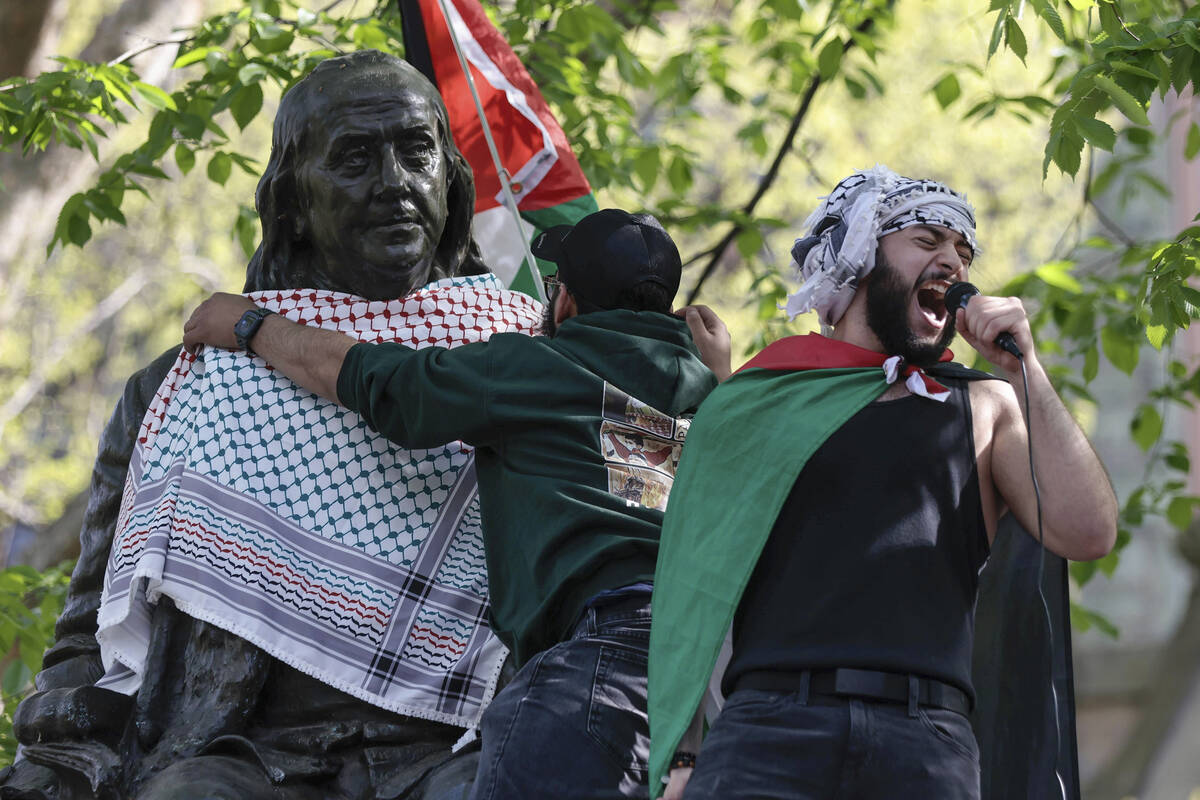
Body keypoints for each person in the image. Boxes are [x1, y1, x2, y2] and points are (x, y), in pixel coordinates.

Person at [4, 50, 535, 800]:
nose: (394, 184)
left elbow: (654, 513)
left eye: (415, 151)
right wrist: (56, 749)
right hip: (243, 753)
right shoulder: (185, 387)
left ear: (451, 174)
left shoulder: (531, 356)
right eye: (353, 158)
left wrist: (691, 386)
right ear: (290, 200)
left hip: (460, 743)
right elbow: (89, 627)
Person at [182, 208, 730, 800]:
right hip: (710, 683)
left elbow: (372, 378)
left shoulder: (533, 366)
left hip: (594, 673)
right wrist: (720, 379)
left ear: (566, 301)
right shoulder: (713, 396)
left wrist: (250, 324)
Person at [646, 166, 1118, 800]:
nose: (953, 260)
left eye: (963, 250)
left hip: (925, 743)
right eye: (927, 240)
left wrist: (1023, 366)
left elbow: (1086, 530)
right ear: (861, 256)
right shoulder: (761, 401)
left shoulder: (985, 404)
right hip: (768, 730)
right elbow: (698, 581)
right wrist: (683, 758)